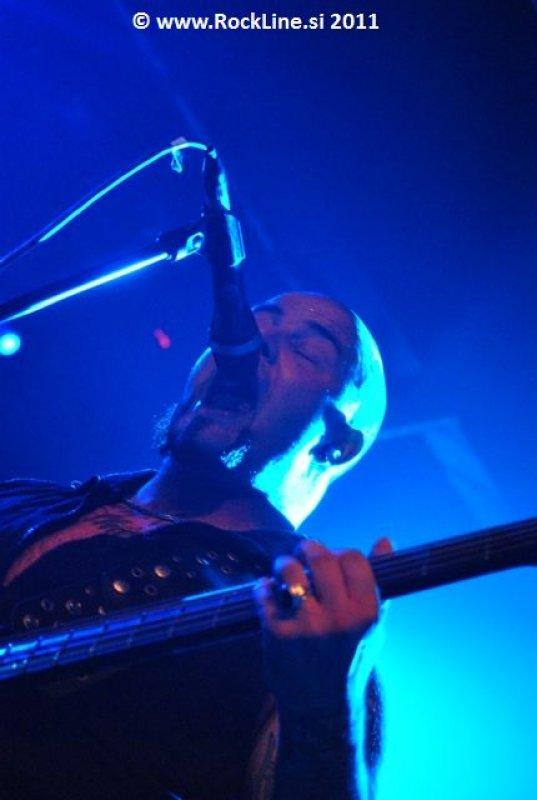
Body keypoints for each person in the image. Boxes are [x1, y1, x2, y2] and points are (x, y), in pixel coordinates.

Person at [0, 291, 390, 800]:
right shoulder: (21, 498)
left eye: (307, 350)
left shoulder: (304, 617)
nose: (251, 342)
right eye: (251, 323)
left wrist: (324, 705)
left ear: (337, 443)